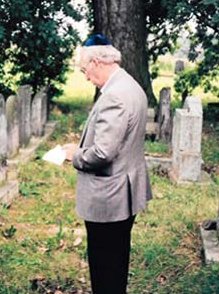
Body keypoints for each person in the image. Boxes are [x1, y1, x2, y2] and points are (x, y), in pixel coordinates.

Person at [63, 34, 152, 294]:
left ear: (97, 62)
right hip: (123, 189)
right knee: (116, 261)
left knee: (105, 267)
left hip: (108, 197)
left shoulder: (115, 95)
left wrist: (74, 154)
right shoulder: (131, 85)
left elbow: (103, 153)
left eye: (84, 70)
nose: (86, 77)